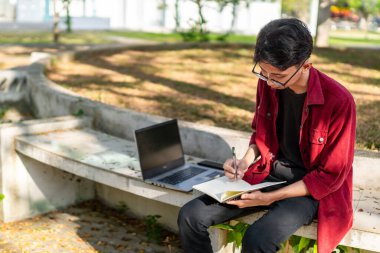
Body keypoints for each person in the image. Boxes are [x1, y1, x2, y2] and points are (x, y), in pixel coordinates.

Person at [177, 18, 356, 253]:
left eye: (278, 77)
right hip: (267, 174)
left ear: (305, 65)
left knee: (257, 239)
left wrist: (269, 198)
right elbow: (260, 136)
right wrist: (244, 161)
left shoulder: (339, 101)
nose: (270, 83)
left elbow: (329, 177)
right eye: (264, 74)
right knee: (191, 215)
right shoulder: (269, 84)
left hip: (309, 189)